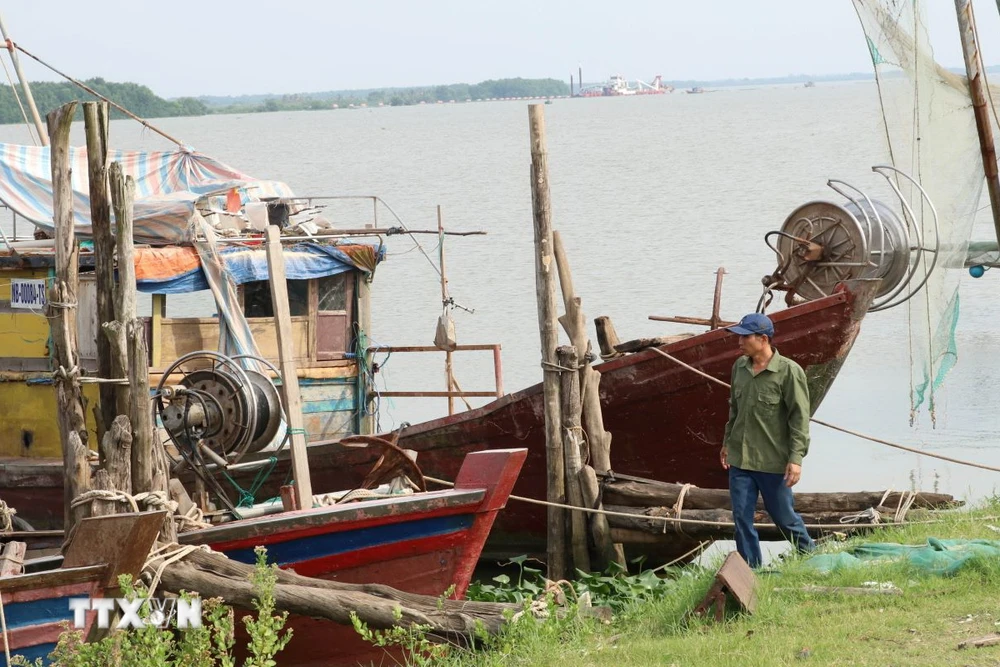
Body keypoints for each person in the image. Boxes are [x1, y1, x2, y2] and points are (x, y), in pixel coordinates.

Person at [720, 312, 815, 568]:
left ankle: (812, 558)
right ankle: (751, 572)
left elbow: (799, 419)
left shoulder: (789, 372)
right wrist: (727, 442)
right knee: (741, 518)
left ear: (763, 339)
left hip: (773, 462)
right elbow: (734, 410)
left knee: (785, 519)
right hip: (741, 459)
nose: (739, 342)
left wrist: (796, 459)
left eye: (744, 337)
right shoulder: (739, 367)